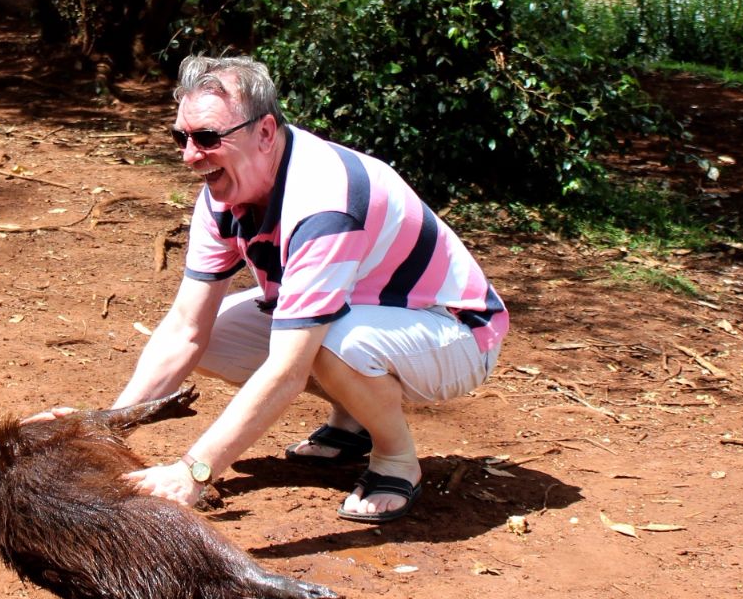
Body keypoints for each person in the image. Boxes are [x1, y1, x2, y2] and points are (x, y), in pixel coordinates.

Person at [112, 54, 508, 524]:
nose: (189, 155)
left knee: (327, 343)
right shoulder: (224, 191)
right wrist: (106, 430)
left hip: (457, 332)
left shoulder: (324, 200)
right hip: (369, 315)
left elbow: (288, 369)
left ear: (264, 132)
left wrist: (194, 472)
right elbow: (184, 330)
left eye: (207, 138)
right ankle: (352, 420)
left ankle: (397, 459)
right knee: (214, 337)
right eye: (182, 137)